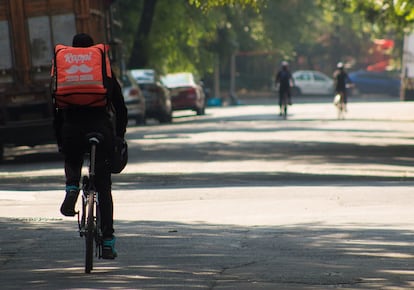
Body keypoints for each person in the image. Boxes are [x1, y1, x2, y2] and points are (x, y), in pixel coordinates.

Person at [53, 33, 128, 259]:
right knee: (103, 188)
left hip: (72, 129)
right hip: (100, 130)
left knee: (73, 156)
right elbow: (120, 108)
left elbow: (55, 111)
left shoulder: (63, 70)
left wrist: (60, 142)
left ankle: (71, 187)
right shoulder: (102, 71)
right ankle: (107, 241)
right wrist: (119, 136)